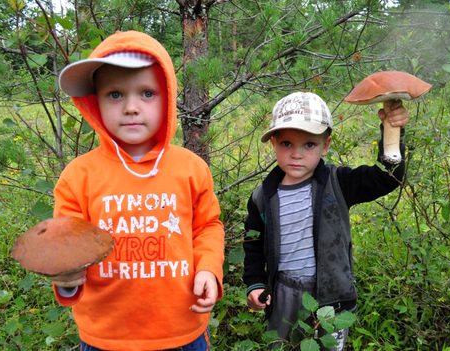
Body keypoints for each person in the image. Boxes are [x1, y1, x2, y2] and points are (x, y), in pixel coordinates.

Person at [50, 30, 225, 351]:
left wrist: (209, 270)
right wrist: (66, 279)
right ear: (95, 101)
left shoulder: (190, 168)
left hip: (182, 332)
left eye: (147, 93)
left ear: (168, 96)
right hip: (107, 337)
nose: (131, 107)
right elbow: (67, 251)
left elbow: (207, 227)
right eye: (115, 94)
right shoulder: (79, 176)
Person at [243, 92, 408, 350]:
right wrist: (255, 284)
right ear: (273, 142)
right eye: (287, 143)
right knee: (282, 345)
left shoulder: (338, 183)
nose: (296, 154)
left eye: (309, 144)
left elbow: (387, 177)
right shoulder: (263, 196)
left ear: (326, 145)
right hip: (282, 294)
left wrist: (392, 131)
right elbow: (253, 245)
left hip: (331, 297)